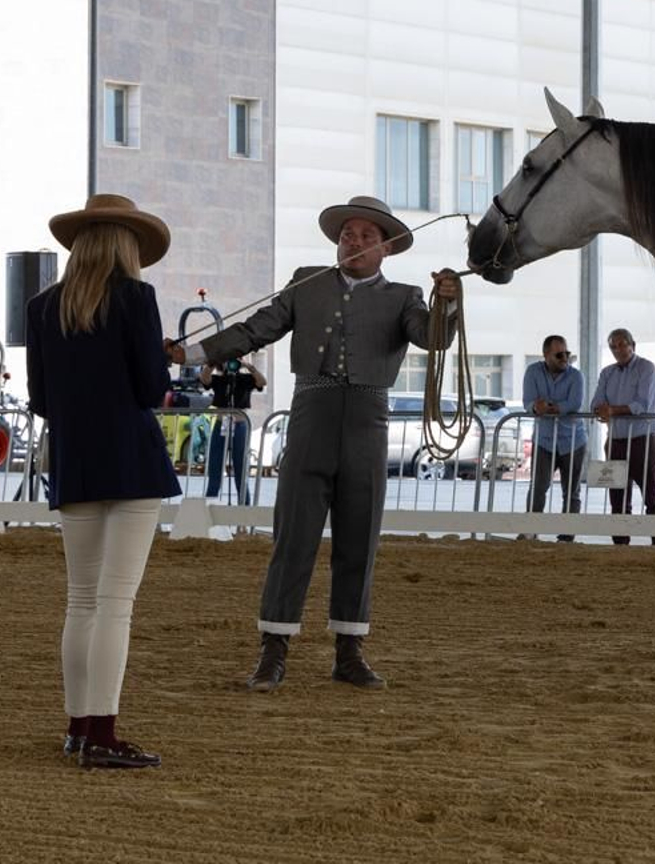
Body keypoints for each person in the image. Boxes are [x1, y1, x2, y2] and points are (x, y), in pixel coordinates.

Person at [165, 195, 460, 692]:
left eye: (367, 237)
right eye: (349, 235)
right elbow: (256, 329)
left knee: (359, 538)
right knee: (293, 536)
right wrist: (192, 353)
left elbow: (434, 339)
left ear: (386, 249)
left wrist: (447, 302)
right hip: (310, 415)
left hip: (369, 422)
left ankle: (349, 651)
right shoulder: (307, 281)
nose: (355, 243)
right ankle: (272, 650)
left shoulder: (406, 297)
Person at [26, 193, 180, 770]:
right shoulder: (136, 298)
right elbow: (149, 390)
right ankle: (103, 735)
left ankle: (77, 726)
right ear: (124, 244)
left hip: (75, 460)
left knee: (82, 602)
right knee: (116, 604)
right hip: (131, 460)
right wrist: (161, 364)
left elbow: (41, 400)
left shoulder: (43, 307)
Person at [590, 327, 655, 546]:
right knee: (617, 495)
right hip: (615, 441)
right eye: (613, 346)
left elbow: (641, 405)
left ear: (633, 345)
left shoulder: (647, 368)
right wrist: (602, 410)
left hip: (643, 440)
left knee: (650, 493)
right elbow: (596, 403)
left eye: (622, 344)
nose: (618, 349)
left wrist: (611, 410)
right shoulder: (607, 373)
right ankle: (620, 542)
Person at [522, 334, 585, 541]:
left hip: (573, 440)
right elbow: (529, 402)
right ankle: (531, 529)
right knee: (538, 487)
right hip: (544, 440)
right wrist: (536, 407)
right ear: (546, 355)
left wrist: (547, 407)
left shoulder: (576, 376)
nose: (564, 358)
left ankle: (567, 536)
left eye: (567, 353)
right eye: (559, 354)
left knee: (572, 491)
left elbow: (574, 404)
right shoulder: (532, 372)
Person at [198, 352, 266, 504]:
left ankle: (244, 514)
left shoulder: (246, 379)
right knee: (215, 467)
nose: (231, 363)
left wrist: (249, 366)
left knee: (241, 470)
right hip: (221, 425)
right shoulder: (220, 379)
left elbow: (262, 382)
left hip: (240, 425)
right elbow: (204, 379)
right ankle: (210, 507)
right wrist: (213, 363)